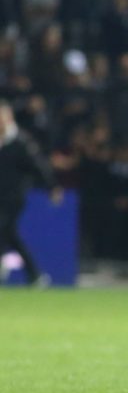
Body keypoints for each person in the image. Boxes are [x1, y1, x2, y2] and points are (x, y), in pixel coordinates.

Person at [0, 100, 62, 286]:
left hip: (13, 197)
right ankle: (34, 274)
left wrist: (51, 186)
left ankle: (9, 264)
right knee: (10, 234)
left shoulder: (21, 141)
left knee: (4, 227)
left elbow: (38, 166)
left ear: (9, 117)